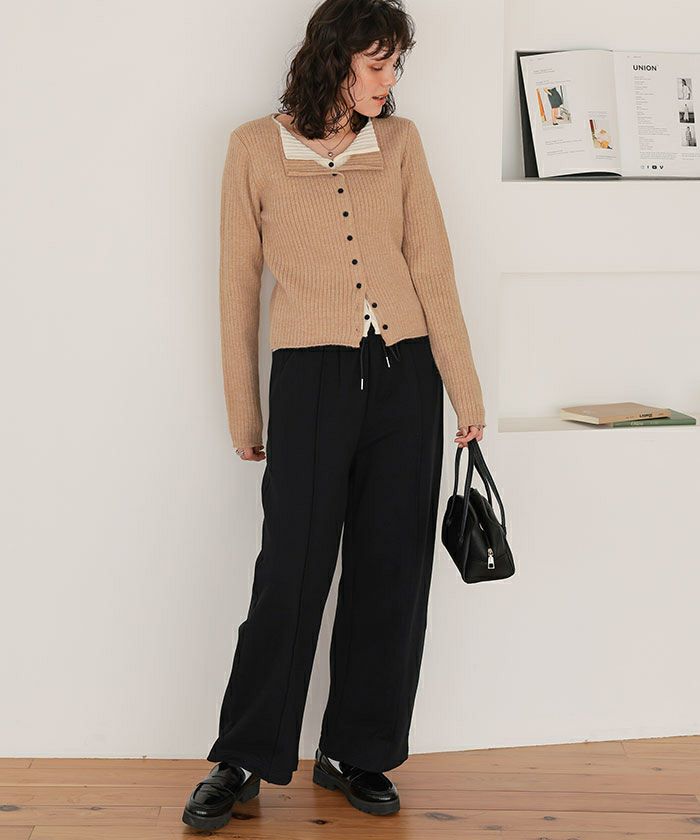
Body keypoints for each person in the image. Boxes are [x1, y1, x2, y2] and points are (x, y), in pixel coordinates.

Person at [182, 0, 486, 831]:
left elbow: (432, 266)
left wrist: (464, 391)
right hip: (310, 380)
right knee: (290, 570)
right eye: (377, 64)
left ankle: (355, 751)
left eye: (396, 66)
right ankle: (242, 759)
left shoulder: (401, 144)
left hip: (406, 377)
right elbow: (237, 287)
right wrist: (245, 413)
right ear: (334, 59)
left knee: (391, 571)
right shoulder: (253, 148)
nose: (390, 81)